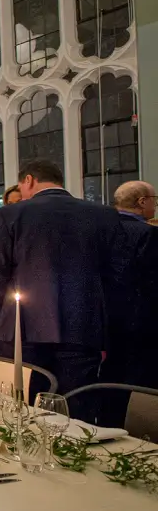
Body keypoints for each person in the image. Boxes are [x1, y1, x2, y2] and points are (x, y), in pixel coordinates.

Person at [0, 159, 127, 409]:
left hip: (23, 327)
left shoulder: (10, 214)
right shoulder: (102, 215)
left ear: (28, 180)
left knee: (22, 406)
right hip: (83, 327)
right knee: (76, 407)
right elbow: (119, 276)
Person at [103, 181, 158, 424]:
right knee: (139, 384)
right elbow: (151, 281)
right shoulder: (148, 233)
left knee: (110, 381)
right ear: (142, 201)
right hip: (140, 322)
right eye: (154, 199)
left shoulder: (103, 228)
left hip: (104, 318)